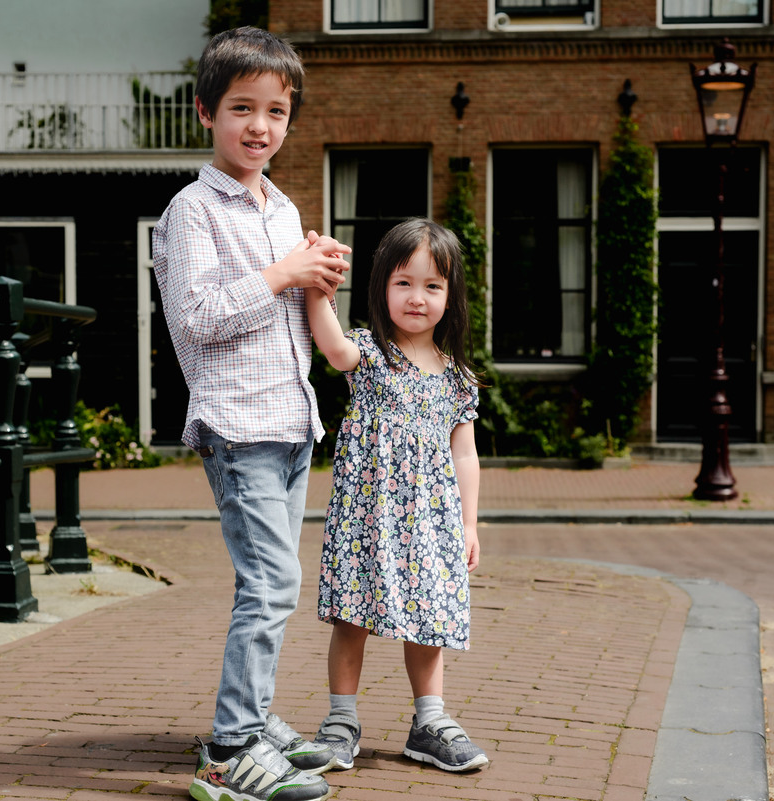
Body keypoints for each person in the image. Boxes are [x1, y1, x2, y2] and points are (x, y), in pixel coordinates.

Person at [152, 25, 352, 801]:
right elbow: (196, 317)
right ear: (206, 112)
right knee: (272, 585)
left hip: (292, 419)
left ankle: (258, 718)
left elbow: (288, 308)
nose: (259, 126)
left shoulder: (282, 204)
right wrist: (282, 272)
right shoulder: (191, 212)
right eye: (242, 108)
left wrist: (316, 283)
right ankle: (231, 747)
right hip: (238, 424)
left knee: (267, 583)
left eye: (275, 111)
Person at [304, 218, 490, 773]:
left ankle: (429, 720)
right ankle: (341, 718)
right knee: (351, 617)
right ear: (382, 286)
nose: (417, 297)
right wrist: (318, 290)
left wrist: (470, 523)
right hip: (367, 515)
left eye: (433, 286)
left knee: (429, 614)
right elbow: (332, 349)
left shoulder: (458, 377)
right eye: (404, 283)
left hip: (431, 522)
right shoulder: (371, 351)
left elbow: (465, 454)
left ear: (451, 297)